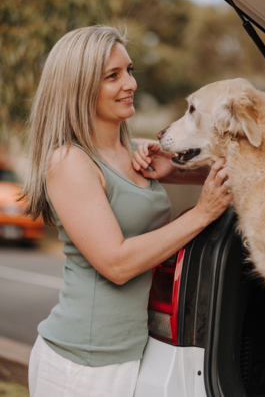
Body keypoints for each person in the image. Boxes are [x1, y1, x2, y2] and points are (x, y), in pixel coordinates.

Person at [22, 25, 233, 397]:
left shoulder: (133, 152)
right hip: (79, 365)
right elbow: (116, 264)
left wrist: (177, 167)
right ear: (80, 87)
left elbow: (222, 177)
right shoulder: (69, 161)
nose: (130, 84)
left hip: (130, 355)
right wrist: (201, 215)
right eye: (113, 76)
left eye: (130, 70)